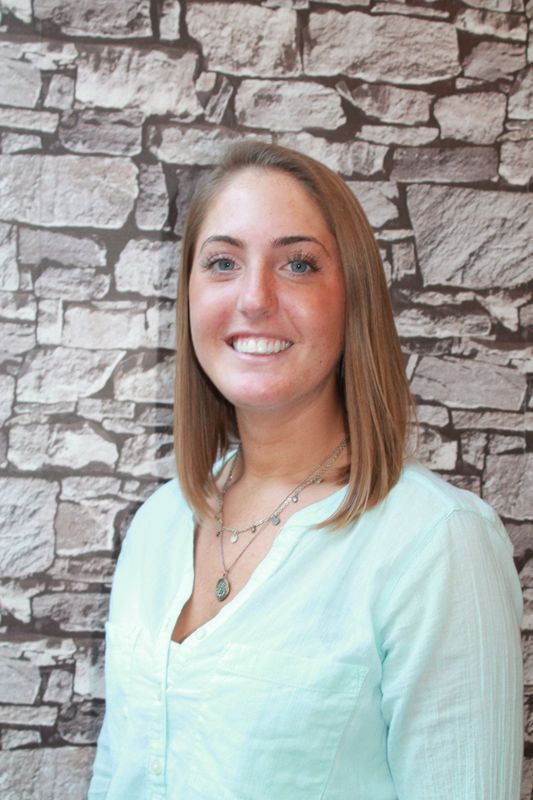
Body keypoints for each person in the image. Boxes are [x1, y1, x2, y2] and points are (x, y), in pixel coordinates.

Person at [88, 142, 523, 800]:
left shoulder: (435, 544)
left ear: (352, 299)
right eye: (223, 262)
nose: (254, 298)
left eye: (296, 264)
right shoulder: (157, 525)